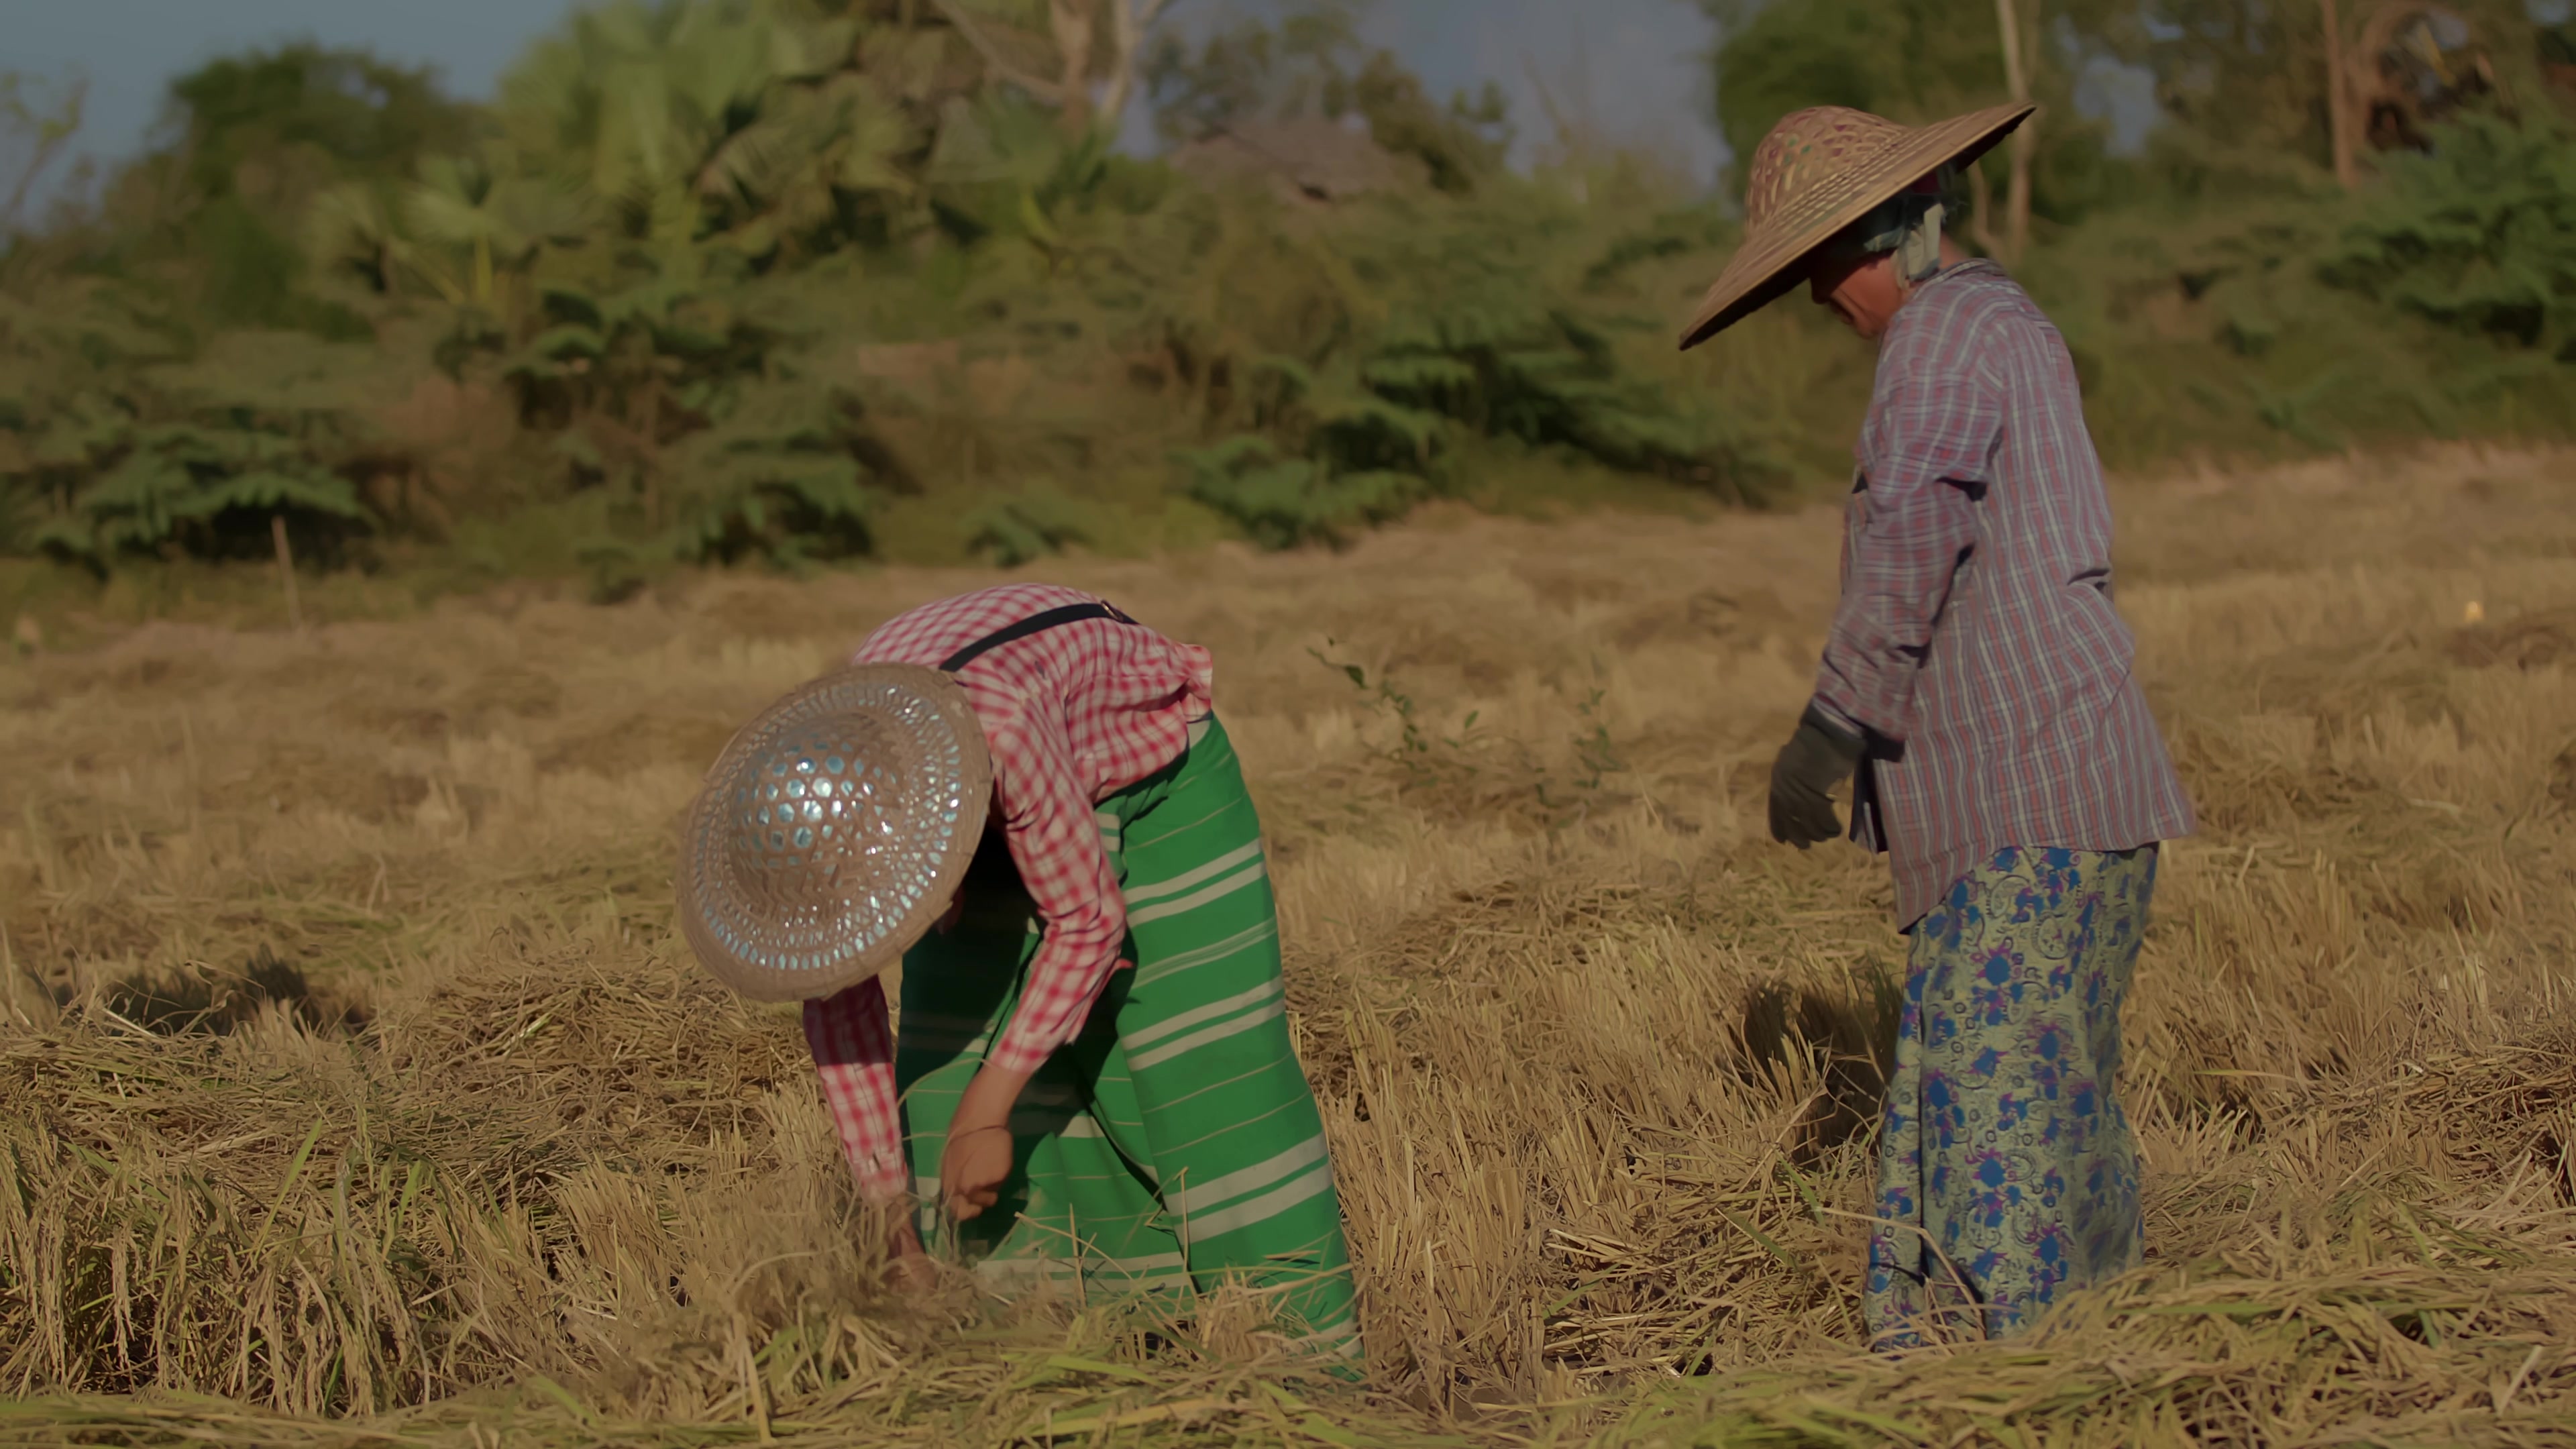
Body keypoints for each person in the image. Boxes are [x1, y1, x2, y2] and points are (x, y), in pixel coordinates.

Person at [1676, 105, 2198, 1347]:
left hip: (2028, 806)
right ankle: (2096, 1364)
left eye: (1818, 267)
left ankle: (2011, 1398)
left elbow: (1913, 523)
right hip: (2084, 801)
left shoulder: (1942, 337)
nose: (1814, 298)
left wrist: (1833, 724)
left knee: (2000, 1136)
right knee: (2043, 1111)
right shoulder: (2008, 323)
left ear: (1882, 234)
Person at [674, 583, 1361, 1371]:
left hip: (1150, 782)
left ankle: (1296, 1360)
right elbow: (843, 1024)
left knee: (1196, 1075)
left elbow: (1090, 924)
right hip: (988, 792)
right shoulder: (825, 815)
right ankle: (1040, 1346)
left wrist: (988, 1113)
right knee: (943, 1071)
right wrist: (895, 1229)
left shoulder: (997, 735)